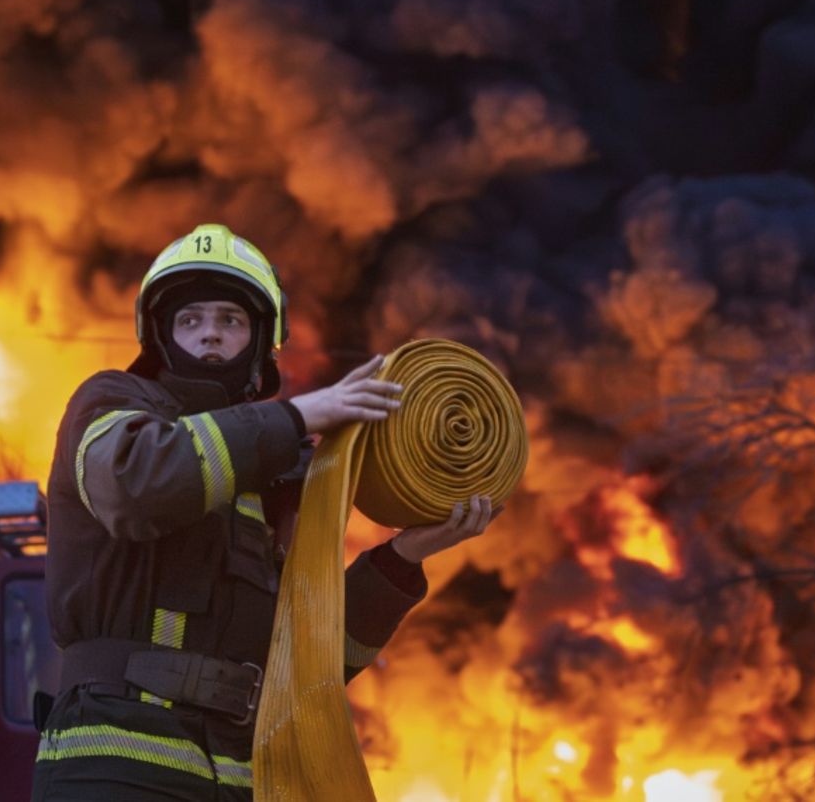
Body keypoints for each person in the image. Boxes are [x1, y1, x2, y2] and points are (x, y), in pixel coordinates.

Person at [32, 224, 497, 801]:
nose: (209, 336)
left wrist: (405, 555)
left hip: (241, 776)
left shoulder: (275, 479)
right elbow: (137, 488)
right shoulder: (111, 405)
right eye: (191, 319)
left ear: (259, 341)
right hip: (115, 766)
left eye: (230, 321)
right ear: (160, 336)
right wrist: (300, 416)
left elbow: (309, 662)